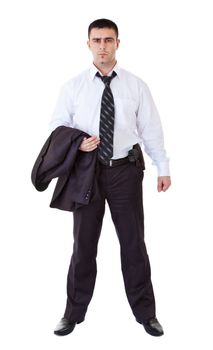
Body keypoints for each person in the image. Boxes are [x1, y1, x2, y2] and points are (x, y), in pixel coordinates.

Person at [51, 18, 171, 337]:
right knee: (83, 245)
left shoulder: (135, 85)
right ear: (88, 44)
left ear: (118, 43)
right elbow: (57, 128)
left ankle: (146, 314)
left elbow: (151, 130)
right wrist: (78, 143)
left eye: (108, 39)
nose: (102, 45)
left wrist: (163, 167)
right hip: (86, 173)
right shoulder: (73, 87)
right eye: (96, 40)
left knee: (133, 244)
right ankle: (73, 314)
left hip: (125, 173)